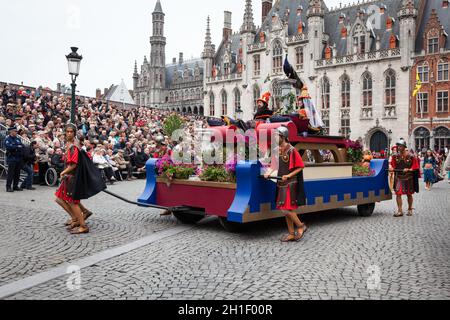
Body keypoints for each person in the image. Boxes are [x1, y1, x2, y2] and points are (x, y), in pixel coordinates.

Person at [264, 126, 307, 242]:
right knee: (287, 210)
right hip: (281, 184)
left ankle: (300, 225)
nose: (274, 138)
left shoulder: (292, 150)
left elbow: (301, 166)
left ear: (283, 137)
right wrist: (268, 173)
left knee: (285, 209)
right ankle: (291, 233)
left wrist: (289, 175)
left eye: (276, 136)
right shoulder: (276, 150)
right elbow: (273, 166)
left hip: (290, 184)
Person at [54, 124, 92, 235]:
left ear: (74, 133)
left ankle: (83, 225)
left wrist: (63, 172)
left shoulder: (73, 147)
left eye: (71, 132)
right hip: (69, 177)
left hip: (72, 177)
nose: (69, 133)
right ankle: (78, 218)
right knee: (61, 199)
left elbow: (73, 165)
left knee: (72, 201)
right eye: (68, 132)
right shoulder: (69, 144)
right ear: (65, 133)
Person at [390, 139, 420, 217]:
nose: (398, 148)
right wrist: (391, 168)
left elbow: (415, 167)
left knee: (409, 194)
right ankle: (400, 211)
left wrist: (409, 169)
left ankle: (410, 209)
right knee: (398, 194)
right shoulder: (395, 156)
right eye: (398, 146)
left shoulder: (411, 156)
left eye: (400, 146)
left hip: (408, 177)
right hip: (398, 177)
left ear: (404, 147)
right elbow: (393, 165)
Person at [5, 127, 24, 192]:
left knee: (17, 173)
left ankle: (15, 186)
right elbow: (9, 147)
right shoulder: (8, 139)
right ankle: (8, 187)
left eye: (16, 131)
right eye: (15, 131)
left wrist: (16, 147)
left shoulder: (18, 139)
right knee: (11, 173)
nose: (16, 132)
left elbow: (22, 146)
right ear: (11, 132)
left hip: (18, 158)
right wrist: (17, 147)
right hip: (12, 158)